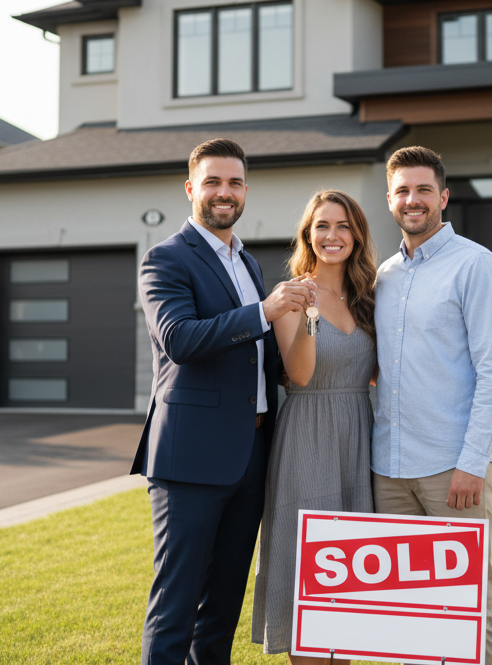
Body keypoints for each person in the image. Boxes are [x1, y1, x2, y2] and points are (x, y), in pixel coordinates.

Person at [133, 138, 314, 665]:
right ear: (191, 188)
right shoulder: (165, 259)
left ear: (246, 190)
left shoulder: (248, 263)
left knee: (222, 608)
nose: (224, 192)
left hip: (252, 455)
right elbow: (180, 339)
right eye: (212, 181)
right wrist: (264, 311)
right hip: (190, 457)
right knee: (176, 605)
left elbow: (254, 357)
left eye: (234, 182)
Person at [372, 146, 492, 665]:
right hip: (388, 471)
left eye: (423, 190)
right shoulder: (383, 276)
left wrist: (472, 462)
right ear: (390, 199)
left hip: (452, 470)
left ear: (444, 197)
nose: (413, 200)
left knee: (469, 603)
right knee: (410, 609)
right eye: (403, 191)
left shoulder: (476, 265)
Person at [251, 190, 378, 663]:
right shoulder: (292, 295)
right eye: (322, 225)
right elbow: (300, 375)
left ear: (357, 235)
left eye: (343, 225)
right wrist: (308, 313)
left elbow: (375, 371)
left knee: (348, 573)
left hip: (358, 439)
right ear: (308, 234)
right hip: (308, 437)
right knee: (307, 567)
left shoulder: (367, 297)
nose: (332, 235)